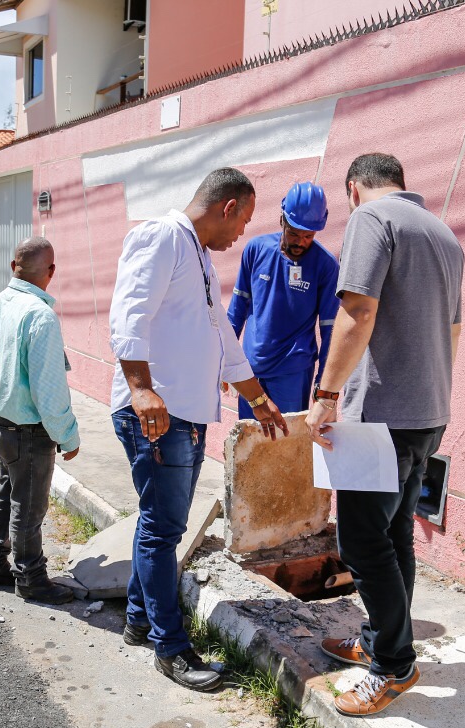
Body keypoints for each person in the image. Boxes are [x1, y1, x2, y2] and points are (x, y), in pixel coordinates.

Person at [110, 167, 289, 692]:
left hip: (184, 416)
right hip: (156, 413)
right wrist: (142, 389)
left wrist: (258, 399)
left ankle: (140, 621)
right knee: (162, 529)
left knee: (162, 526)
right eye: (244, 221)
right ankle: (171, 648)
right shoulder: (162, 236)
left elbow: (224, 339)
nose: (241, 235)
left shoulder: (199, 256)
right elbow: (129, 315)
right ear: (227, 207)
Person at [306, 153, 463, 717]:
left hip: (383, 416)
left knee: (362, 543)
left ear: (354, 188)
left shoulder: (372, 221)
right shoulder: (444, 234)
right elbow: (455, 329)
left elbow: (358, 311)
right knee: (395, 533)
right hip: (427, 411)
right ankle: (380, 640)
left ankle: (393, 665)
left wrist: (326, 397)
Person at [0, 237, 81, 605]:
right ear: (51, 272)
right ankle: (30, 578)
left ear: (12, 266)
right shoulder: (40, 316)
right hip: (29, 429)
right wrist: (68, 435)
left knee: (7, 490)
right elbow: (49, 391)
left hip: (0, 419)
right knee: (29, 504)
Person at [228, 181, 340, 416]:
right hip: (250, 370)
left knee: (284, 445)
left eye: (308, 236)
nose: (300, 242)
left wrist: (323, 385)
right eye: (294, 233)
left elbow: (330, 330)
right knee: (249, 444)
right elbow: (237, 310)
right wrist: (225, 361)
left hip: (293, 372)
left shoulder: (326, 266)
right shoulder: (256, 249)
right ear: (282, 220)